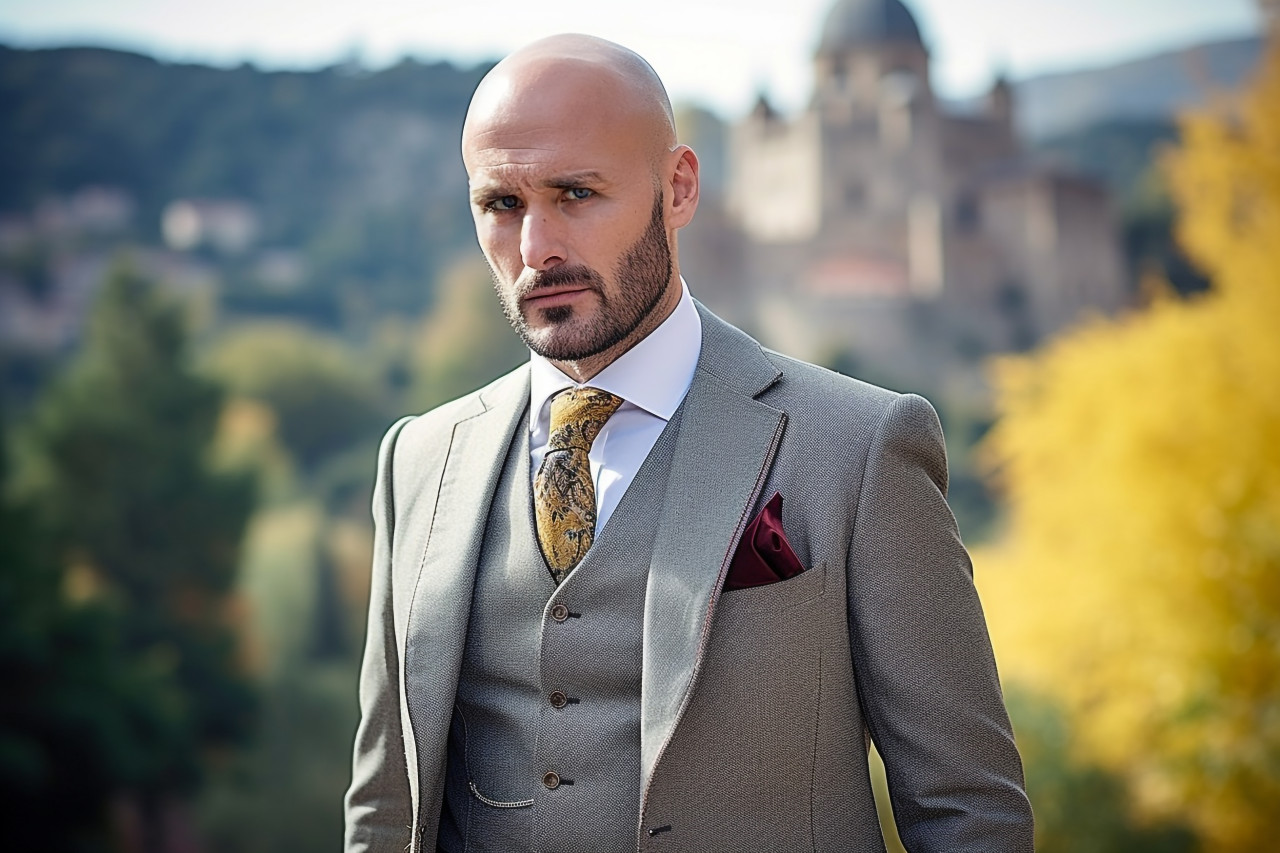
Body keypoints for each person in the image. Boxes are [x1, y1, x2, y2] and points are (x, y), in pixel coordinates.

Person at [344, 33, 1033, 853]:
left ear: (678, 187)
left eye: (575, 192)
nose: (537, 249)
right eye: (502, 204)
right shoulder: (417, 462)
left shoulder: (860, 446)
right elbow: (385, 811)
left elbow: (969, 813)